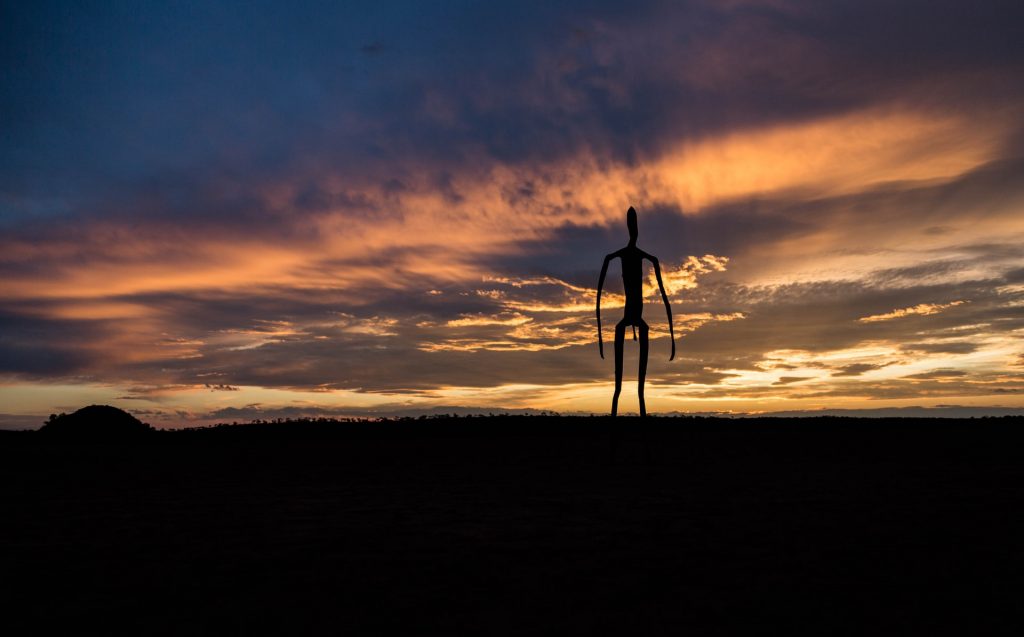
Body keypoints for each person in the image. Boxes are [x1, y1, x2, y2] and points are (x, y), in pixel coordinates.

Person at [596, 207, 675, 416]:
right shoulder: (620, 255)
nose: (634, 231)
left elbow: (665, 297)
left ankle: (641, 408)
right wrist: (600, 336)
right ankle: (616, 404)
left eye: (635, 226)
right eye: (632, 226)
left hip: (639, 318)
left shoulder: (647, 258)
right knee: (618, 388)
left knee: (641, 390)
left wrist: (672, 336)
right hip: (627, 317)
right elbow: (600, 286)